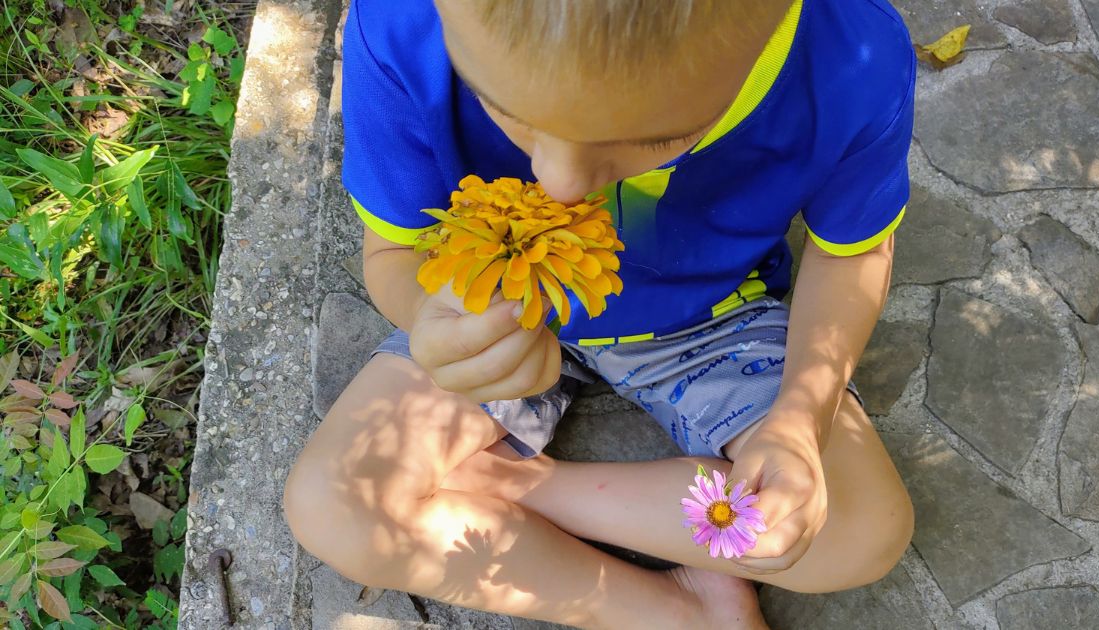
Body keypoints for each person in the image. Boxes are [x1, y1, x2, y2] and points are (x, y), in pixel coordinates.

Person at [285, 0, 916, 627]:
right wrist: (433, 319)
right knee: (333, 504)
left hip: (708, 314)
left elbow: (851, 257)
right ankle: (679, 612)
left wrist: (802, 421)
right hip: (497, 298)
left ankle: (508, 482)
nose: (559, 182)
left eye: (656, 137)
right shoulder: (401, 23)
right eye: (501, 103)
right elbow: (397, 249)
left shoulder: (850, 55)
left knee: (861, 528)